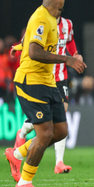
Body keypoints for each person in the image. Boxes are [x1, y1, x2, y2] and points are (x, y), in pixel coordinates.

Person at [4, 0, 86, 187]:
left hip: (48, 82)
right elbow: (35, 51)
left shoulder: (51, 18)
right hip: (31, 81)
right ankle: (24, 184)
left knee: (60, 131)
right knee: (44, 134)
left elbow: (30, 43)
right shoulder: (42, 18)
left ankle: (17, 154)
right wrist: (67, 59)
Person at [10, 10, 82, 174]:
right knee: (43, 125)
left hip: (60, 77)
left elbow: (69, 41)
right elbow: (29, 41)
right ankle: (22, 134)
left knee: (60, 120)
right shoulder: (41, 20)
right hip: (43, 77)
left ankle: (59, 162)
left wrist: (76, 54)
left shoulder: (67, 24)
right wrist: (18, 47)